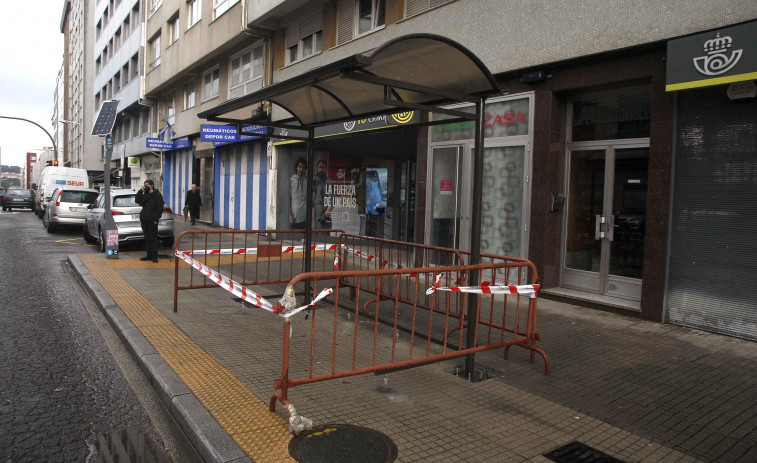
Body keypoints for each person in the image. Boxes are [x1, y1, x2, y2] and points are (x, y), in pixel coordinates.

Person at [135, 179, 164, 263]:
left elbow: (159, 208)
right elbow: (137, 200)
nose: (146, 186)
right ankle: (149, 255)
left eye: (147, 185)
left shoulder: (157, 195)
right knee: (147, 238)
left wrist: (156, 219)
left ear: (152, 185)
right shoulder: (145, 195)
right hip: (144, 219)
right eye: (145, 185)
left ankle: (154, 256)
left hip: (152, 220)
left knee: (153, 239)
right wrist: (141, 191)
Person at [313, 159, 334, 229]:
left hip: (324, 220)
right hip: (315, 220)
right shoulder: (315, 182)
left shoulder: (329, 183)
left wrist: (323, 217)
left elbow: (331, 204)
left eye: (323, 167)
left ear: (326, 169)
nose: (321, 169)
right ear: (317, 168)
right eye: (320, 167)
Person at [289, 158, 307, 229]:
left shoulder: (307, 182)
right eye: (300, 166)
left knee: (303, 239)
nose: (301, 169)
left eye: (303, 167)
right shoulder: (291, 181)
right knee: (293, 239)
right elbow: (288, 199)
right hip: (294, 219)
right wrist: (290, 216)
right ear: (297, 167)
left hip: (304, 219)